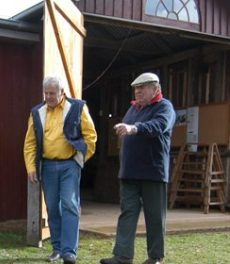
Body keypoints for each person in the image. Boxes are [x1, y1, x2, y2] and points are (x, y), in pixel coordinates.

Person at [100, 72, 176, 264]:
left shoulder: (164, 107)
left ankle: (155, 257)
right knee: (127, 213)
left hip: (153, 172)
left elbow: (158, 126)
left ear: (156, 89)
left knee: (155, 217)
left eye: (143, 87)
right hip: (129, 173)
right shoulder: (132, 110)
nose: (138, 91)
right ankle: (122, 256)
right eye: (136, 88)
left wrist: (134, 128)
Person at [24, 76, 97, 264]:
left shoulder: (78, 107)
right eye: (46, 93)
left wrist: (79, 160)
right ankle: (57, 248)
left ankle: (69, 252)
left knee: (70, 205)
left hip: (69, 165)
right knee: (53, 208)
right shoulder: (36, 112)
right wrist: (31, 166)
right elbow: (30, 143)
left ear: (62, 92)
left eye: (52, 93)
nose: (48, 97)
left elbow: (91, 136)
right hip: (47, 166)